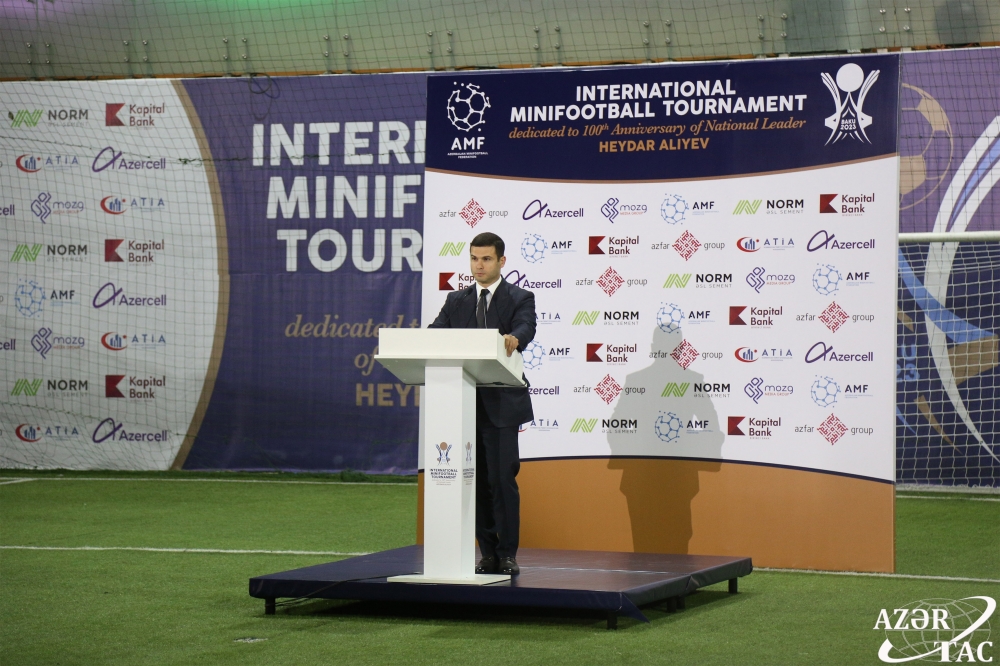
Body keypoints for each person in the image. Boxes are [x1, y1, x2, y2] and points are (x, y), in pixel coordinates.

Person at [428, 232, 536, 575]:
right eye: (474, 258)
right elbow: (435, 332)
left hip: (502, 406)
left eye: (486, 259)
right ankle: (487, 552)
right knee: (474, 481)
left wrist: (515, 337)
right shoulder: (456, 300)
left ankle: (507, 553)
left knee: (502, 480)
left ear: (501, 261)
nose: (479, 265)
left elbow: (526, 327)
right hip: (462, 405)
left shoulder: (520, 297)